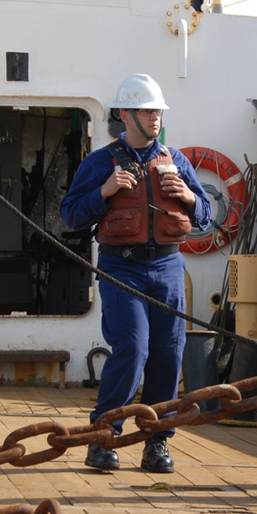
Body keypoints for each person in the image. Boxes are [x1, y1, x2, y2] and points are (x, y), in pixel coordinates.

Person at [60, 73, 210, 474]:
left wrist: (189, 196)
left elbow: (208, 215)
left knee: (167, 354)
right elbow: (70, 215)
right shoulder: (99, 163)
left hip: (167, 267)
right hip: (121, 267)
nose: (155, 117)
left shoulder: (176, 161)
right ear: (125, 114)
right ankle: (103, 436)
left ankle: (156, 442)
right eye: (147, 110)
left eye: (158, 110)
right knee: (133, 348)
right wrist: (104, 192)